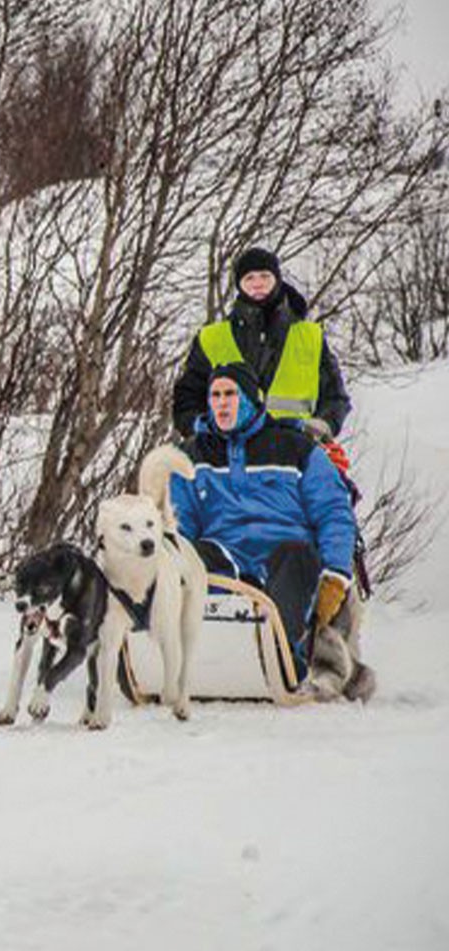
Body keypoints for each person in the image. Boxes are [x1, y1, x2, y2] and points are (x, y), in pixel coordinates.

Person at [169, 363, 372, 701]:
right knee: (194, 555)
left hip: (286, 560)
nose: (221, 403)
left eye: (230, 394)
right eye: (215, 395)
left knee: (295, 557)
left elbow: (334, 513)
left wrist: (336, 572)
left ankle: (285, 661)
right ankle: (208, 658)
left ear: (249, 399)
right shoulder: (191, 455)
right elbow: (180, 523)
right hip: (226, 560)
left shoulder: (296, 448)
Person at [172, 247, 352, 441]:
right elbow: (187, 399)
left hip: (294, 452)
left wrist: (324, 424)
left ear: (277, 280)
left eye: (265, 276)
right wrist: (201, 429)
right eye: (249, 278)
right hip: (228, 456)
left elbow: (335, 396)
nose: (257, 284)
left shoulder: (311, 336)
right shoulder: (211, 338)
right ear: (239, 285)